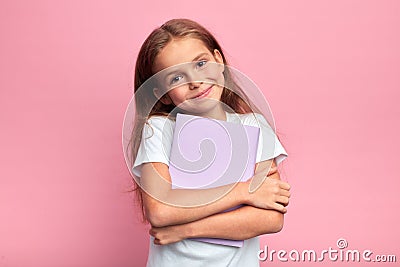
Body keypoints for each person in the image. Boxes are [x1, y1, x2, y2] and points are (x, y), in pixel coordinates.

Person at [129, 18, 291, 267]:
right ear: (161, 95)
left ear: (219, 61)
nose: (195, 82)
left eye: (201, 64)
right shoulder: (159, 130)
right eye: (176, 78)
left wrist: (184, 230)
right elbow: (160, 211)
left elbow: (270, 219)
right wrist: (244, 191)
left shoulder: (254, 126)